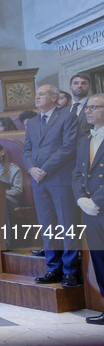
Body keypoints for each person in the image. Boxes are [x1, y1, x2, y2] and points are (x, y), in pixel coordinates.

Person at [22, 84, 80, 287]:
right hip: (38, 181)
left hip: (59, 179)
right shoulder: (33, 122)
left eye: (41, 94)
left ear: (54, 98)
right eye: (36, 94)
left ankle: (70, 272)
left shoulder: (67, 117)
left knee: (67, 225)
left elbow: (68, 148)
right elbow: (26, 150)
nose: (36, 97)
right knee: (47, 226)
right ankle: (53, 269)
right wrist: (31, 169)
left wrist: (44, 169)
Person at [71, 93, 104, 324]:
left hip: (100, 205)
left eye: (94, 107)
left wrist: (96, 201)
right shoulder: (85, 140)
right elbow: (77, 174)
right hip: (91, 212)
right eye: (88, 108)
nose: (88, 111)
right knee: (100, 260)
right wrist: (81, 199)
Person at [0, 143, 23, 249]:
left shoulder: (13, 168)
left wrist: (1, 193)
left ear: (2, 152)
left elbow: (18, 190)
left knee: (0, 201)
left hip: (9, 199)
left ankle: (5, 241)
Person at [68, 73, 93, 138]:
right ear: (70, 87)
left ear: (90, 87)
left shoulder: (95, 107)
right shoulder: (63, 111)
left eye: (84, 83)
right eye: (76, 83)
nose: (79, 86)